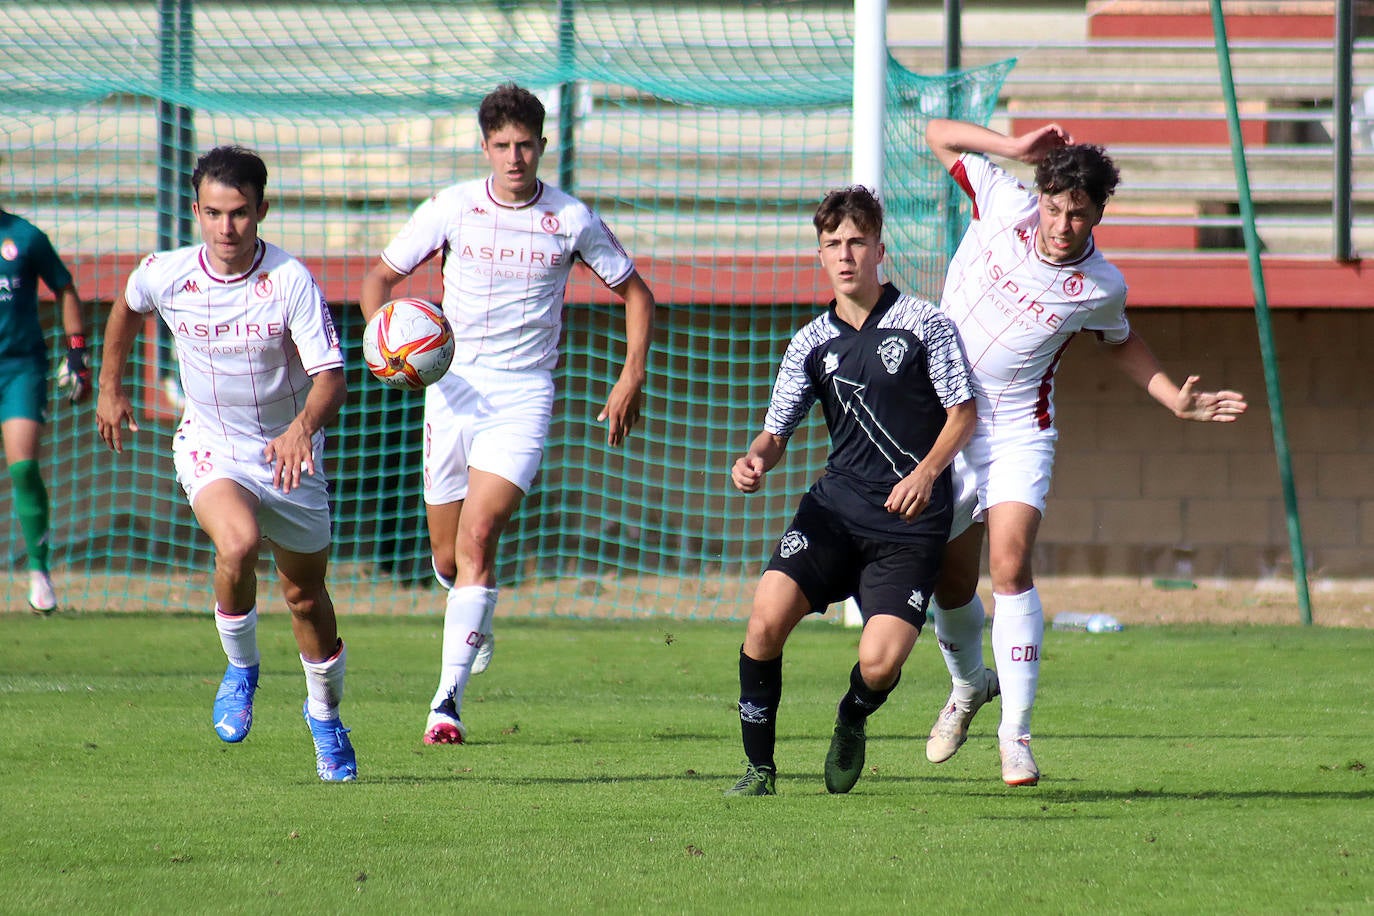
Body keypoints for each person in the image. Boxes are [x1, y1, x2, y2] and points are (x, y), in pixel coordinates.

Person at [921, 118, 1249, 786]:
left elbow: (1120, 340)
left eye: (1077, 213)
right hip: (943, 421)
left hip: (1016, 430)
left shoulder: (1100, 286)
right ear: (1037, 196)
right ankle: (968, 686)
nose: (1061, 223)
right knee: (951, 582)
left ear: (1098, 214)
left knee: (1009, 564)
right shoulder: (1002, 201)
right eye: (1053, 206)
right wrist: (1012, 149)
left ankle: (1016, 736)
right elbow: (936, 135)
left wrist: (1172, 399)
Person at [359, 83, 656, 746]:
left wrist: (631, 373)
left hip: (523, 394)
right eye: (502, 145)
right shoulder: (452, 208)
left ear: (543, 145)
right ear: (486, 147)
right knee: (446, 553)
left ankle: (447, 701)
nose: (515, 157)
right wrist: (389, 349)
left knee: (478, 536)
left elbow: (637, 294)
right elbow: (377, 282)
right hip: (452, 388)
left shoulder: (571, 218)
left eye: (526, 145)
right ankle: (471, 610)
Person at [95, 145, 357, 782]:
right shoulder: (169, 273)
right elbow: (128, 306)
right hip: (212, 445)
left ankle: (325, 718)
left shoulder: (290, 281)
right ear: (195, 212)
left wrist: (300, 431)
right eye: (212, 213)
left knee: (305, 598)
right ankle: (241, 671)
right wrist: (110, 385)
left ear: (262, 210)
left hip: (290, 456)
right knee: (236, 545)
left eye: (239, 213)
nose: (226, 228)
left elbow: (331, 378)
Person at [724, 186, 977, 796]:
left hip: (908, 526)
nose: (844, 254)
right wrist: (754, 460)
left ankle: (851, 717)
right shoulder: (810, 342)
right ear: (820, 255)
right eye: (832, 244)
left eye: (856, 242)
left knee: (880, 663)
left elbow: (963, 412)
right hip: (834, 512)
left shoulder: (924, 325)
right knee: (762, 625)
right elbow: (775, 431)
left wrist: (926, 472)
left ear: (879, 249)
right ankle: (759, 770)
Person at [0, 205, 90, 613]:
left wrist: (76, 353)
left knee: (23, 467)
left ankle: (39, 571)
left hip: (21, 367)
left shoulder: (25, 236)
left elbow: (65, 287)